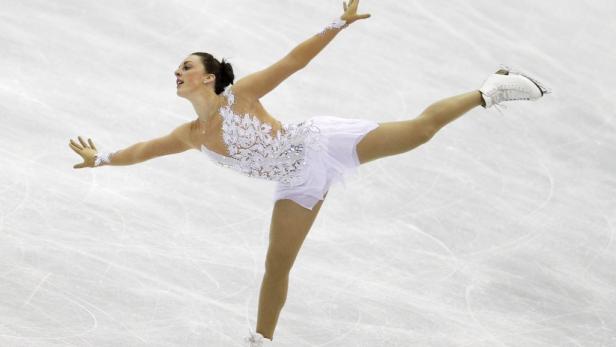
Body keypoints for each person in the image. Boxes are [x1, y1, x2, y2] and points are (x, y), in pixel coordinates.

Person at [68, 1, 549, 345]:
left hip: (318, 142)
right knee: (277, 264)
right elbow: (145, 150)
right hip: (297, 183)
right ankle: (261, 340)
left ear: (209, 76)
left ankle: (490, 89)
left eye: (186, 66)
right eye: (178, 66)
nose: (177, 71)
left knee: (420, 132)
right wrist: (104, 158)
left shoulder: (242, 96)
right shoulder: (191, 133)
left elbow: (293, 62)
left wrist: (334, 24)